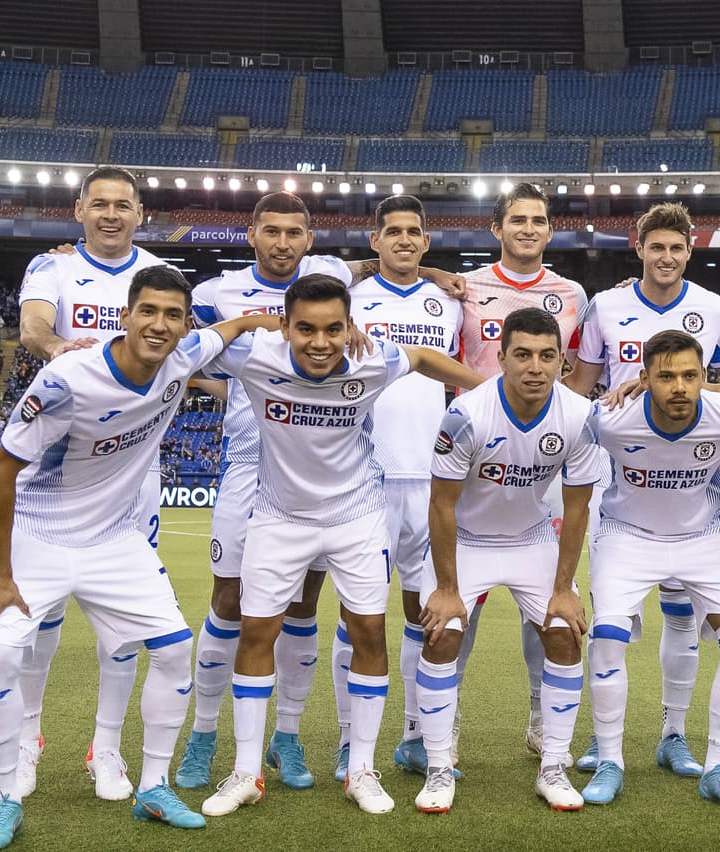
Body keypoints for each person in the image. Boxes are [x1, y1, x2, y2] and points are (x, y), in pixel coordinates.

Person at [0, 266, 280, 850]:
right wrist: (2, 574)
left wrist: (278, 323)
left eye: (172, 315)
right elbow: (2, 470)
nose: (159, 326)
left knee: (173, 649)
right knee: (3, 656)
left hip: (114, 539)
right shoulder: (67, 382)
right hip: (39, 537)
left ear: (185, 325)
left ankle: (155, 788)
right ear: (125, 315)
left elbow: (235, 326)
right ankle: (4, 799)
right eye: (148, 312)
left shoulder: (184, 356)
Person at [175, 191, 462, 791]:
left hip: (328, 475)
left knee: (304, 606)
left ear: (310, 240)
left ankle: (288, 737)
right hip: (249, 463)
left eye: (295, 233)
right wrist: (223, 373)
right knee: (231, 603)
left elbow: (382, 269)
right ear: (251, 233)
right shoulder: (214, 291)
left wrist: (434, 273)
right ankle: (204, 736)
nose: (283, 242)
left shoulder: (332, 280)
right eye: (271, 231)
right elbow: (172, 340)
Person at [565, 202, 720, 777]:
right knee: (610, 613)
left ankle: (673, 734)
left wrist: (679, 384)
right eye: (656, 247)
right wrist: (615, 397)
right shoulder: (606, 305)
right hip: (616, 463)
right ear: (637, 250)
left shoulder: (713, 308)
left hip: (689, 472)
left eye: (677, 247)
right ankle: (602, 739)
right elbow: (582, 384)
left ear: (691, 251)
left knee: (682, 614)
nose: (666, 257)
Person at [13, 166, 171, 801]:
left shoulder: (158, 273)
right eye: (98, 204)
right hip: (58, 462)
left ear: (140, 214)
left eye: (122, 205)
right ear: (78, 210)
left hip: (134, 470)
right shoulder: (50, 267)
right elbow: (33, 328)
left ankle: (105, 747)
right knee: (37, 615)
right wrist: (60, 349)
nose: (110, 214)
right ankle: (27, 737)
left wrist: (435, 276)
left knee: (125, 621)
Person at [413, 307, 601, 814]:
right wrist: (448, 589)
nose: (534, 367)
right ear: (501, 358)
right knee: (442, 633)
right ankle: (437, 767)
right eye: (522, 355)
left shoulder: (579, 417)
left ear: (563, 361)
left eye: (546, 356)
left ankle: (554, 766)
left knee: (563, 632)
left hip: (529, 537)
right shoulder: (467, 414)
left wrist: (564, 588)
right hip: (468, 540)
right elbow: (441, 503)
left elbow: (578, 506)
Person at [580, 330, 720, 809]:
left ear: (705, 377)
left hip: (704, 538)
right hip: (627, 536)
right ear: (643, 379)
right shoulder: (611, 421)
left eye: (689, 376)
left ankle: (717, 767)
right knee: (608, 638)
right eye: (665, 377)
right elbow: (555, 428)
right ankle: (609, 761)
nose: (679, 387)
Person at [457, 182, 589, 761]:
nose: (528, 229)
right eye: (517, 219)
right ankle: (446, 713)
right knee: (463, 602)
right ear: (497, 228)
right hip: (476, 460)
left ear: (549, 229)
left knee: (548, 601)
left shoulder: (572, 294)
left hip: (545, 466)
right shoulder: (466, 288)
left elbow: (582, 371)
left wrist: (564, 427)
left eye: (538, 220)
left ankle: (540, 712)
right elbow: (452, 361)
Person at [334, 195, 463, 776]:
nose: (405, 240)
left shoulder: (448, 301)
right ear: (375, 241)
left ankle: (414, 736)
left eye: (414, 232)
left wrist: (440, 277)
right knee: (356, 615)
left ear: (426, 242)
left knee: (421, 612)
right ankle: (346, 739)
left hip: (430, 477)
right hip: (365, 475)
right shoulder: (350, 298)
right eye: (393, 232)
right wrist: (353, 270)